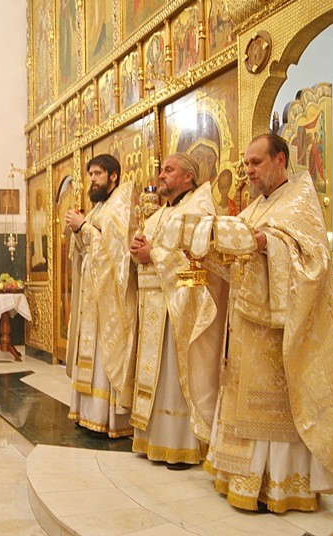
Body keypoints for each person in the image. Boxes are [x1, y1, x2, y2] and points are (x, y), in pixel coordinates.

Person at [205, 133, 333, 513]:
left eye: (256, 162)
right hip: (245, 327)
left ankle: (280, 485)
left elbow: (314, 261)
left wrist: (269, 244)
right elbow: (235, 264)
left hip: (278, 332)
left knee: (272, 408)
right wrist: (209, 250)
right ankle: (240, 476)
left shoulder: (300, 200)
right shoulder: (254, 208)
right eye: (246, 164)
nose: (248, 171)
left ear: (280, 159)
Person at [128, 153, 226, 469]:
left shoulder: (199, 208)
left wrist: (153, 254)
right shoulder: (158, 215)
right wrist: (137, 251)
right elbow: (146, 254)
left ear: (188, 176)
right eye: (161, 170)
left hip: (180, 306)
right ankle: (155, 440)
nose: (161, 175)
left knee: (175, 374)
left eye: (169, 170)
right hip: (153, 307)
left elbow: (200, 258)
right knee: (157, 377)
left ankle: (181, 444)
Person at [64, 154, 138, 437]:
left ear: (113, 176)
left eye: (97, 174)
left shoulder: (120, 205)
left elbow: (115, 251)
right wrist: (79, 231)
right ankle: (88, 413)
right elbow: (87, 248)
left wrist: (83, 228)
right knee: (90, 352)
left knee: (105, 352)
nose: (92, 180)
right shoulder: (98, 209)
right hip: (92, 295)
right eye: (90, 175)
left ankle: (107, 418)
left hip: (110, 297)